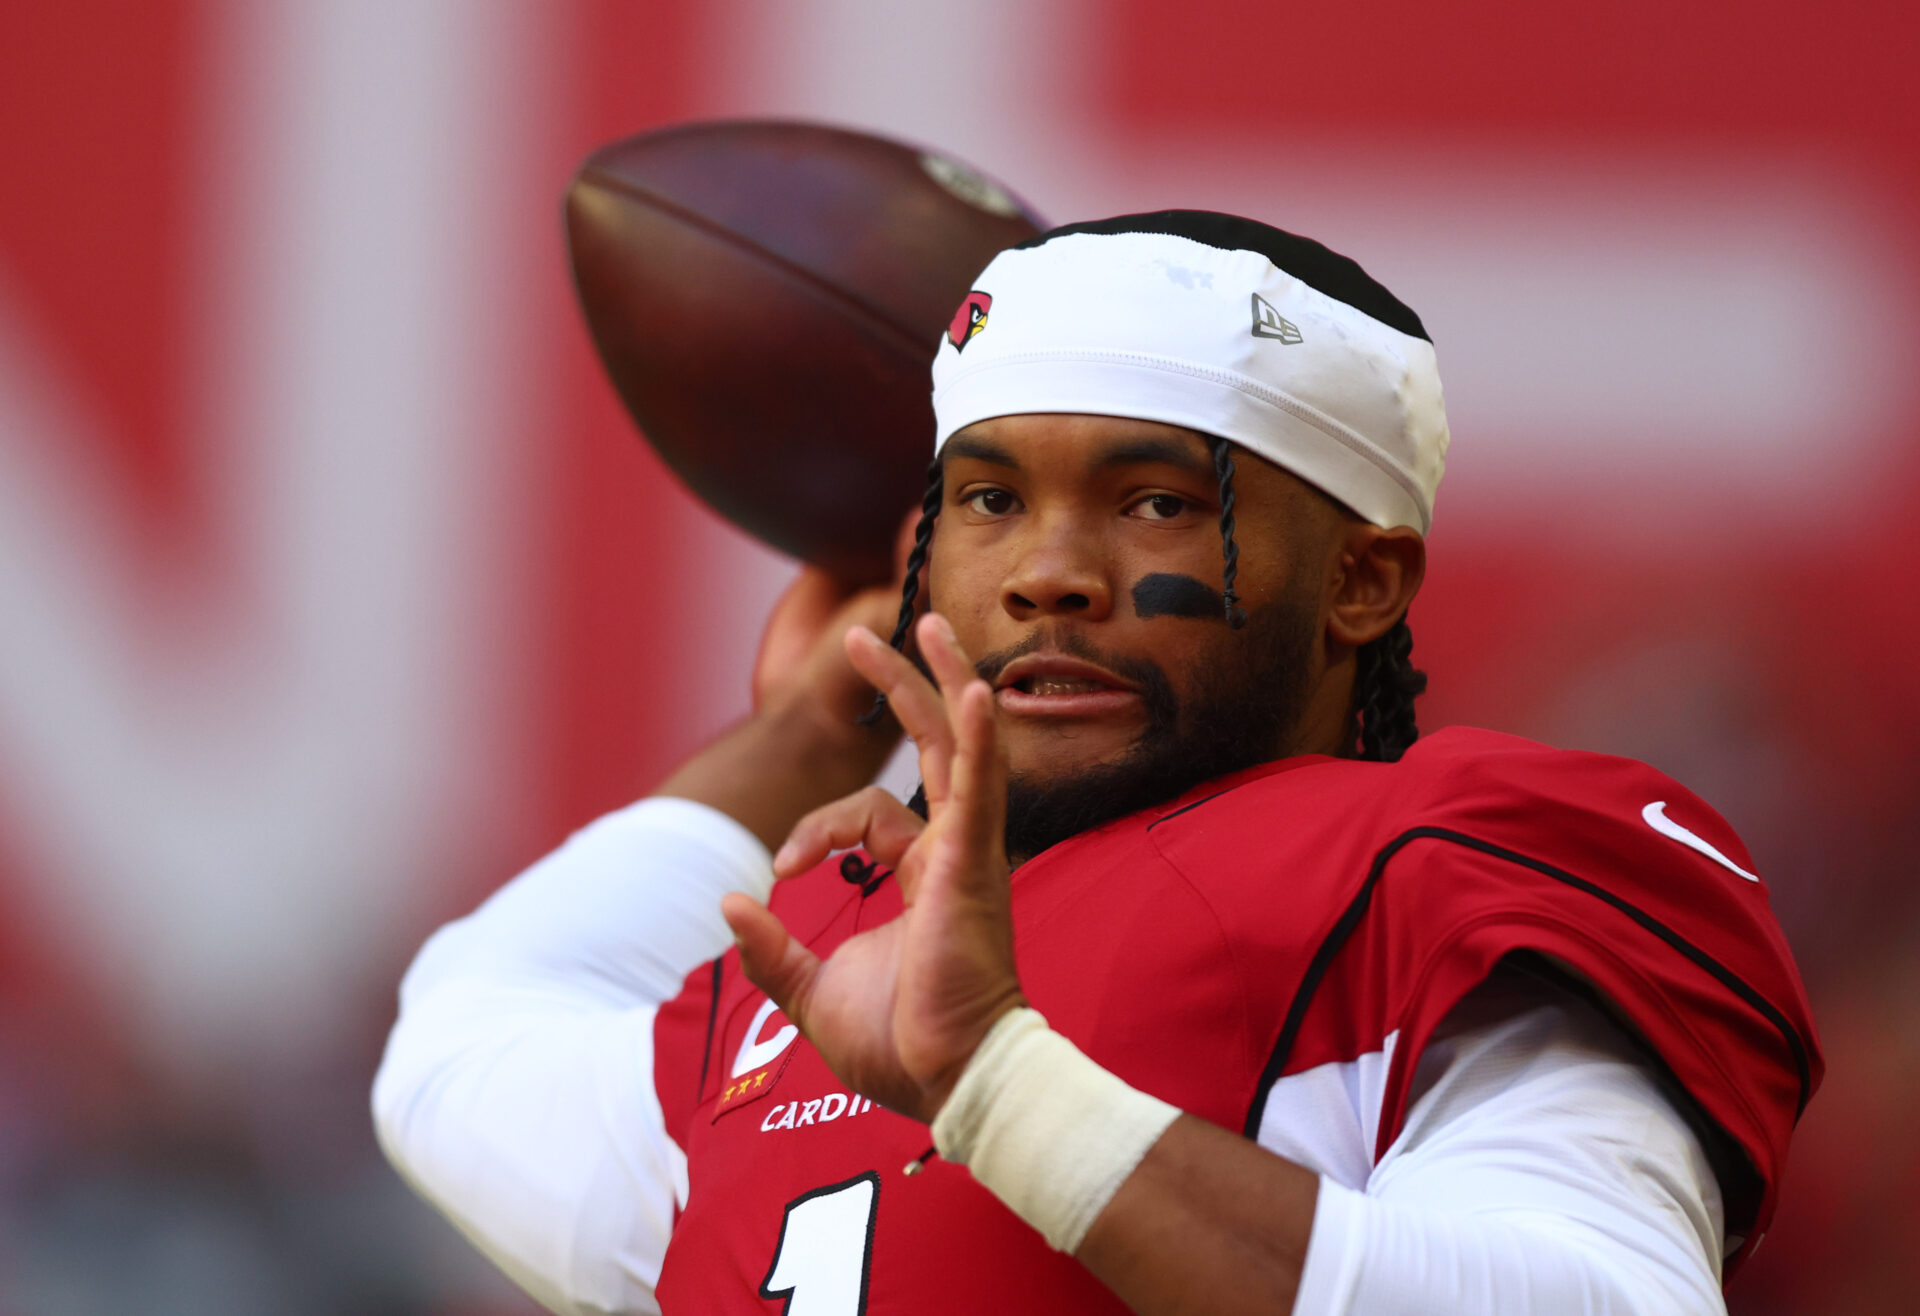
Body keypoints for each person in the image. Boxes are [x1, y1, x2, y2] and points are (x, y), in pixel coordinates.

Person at [373, 212, 1820, 1315]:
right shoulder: (830, 955)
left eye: (1154, 502)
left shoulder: (1438, 857)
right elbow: (462, 1046)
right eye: (992, 500)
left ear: (1364, 584)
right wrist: (817, 724)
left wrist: (1000, 1085)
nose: (1049, 575)